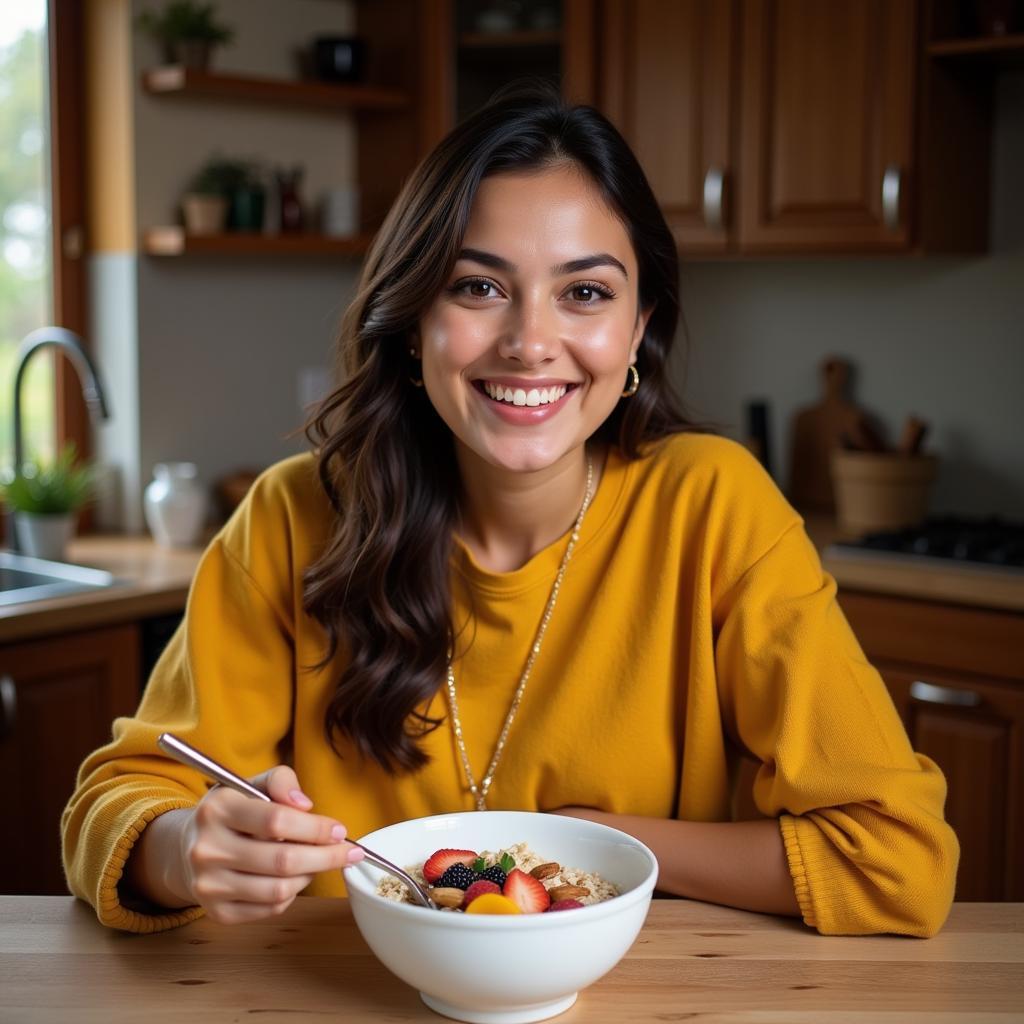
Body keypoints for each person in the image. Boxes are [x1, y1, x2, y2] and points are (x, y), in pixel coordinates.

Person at [62, 86, 958, 937]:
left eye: (586, 292)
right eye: (478, 286)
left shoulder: (714, 506)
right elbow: (116, 805)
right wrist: (186, 850)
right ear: (414, 320)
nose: (531, 343)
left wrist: (586, 841)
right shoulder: (293, 517)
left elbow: (896, 861)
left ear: (640, 323)